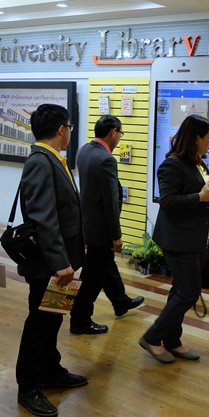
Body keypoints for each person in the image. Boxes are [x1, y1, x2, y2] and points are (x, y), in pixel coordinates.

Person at [15, 103, 87, 417]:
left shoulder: (54, 159)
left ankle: (50, 369)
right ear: (61, 129)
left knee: (53, 317)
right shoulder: (40, 162)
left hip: (60, 261)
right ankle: (28, 386)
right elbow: (44, 217)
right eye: (69, 127)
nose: (69, 132)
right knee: (39, 323)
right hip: (49, 264)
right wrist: (60, 262)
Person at [139, 114, 209, 364]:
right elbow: (167, 201)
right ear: (196, 138)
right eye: (208, 137)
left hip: (197, 239)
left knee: (180, 290)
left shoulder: (197, 162)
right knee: (188, 292)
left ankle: (172, 340)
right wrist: (198, 197)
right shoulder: (172, 165)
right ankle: (152, 337)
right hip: (178, 240)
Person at [70, 115, 144, 334]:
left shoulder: (85, 151)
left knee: (104, 265)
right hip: (101, 229)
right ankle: (80, 319)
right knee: (92, 276)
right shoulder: (106, 160)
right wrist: (116, 235)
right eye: (120, 133)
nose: (120, 138)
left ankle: (120, 301)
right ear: (113, 132)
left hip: (87, 223)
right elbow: (110, 202)